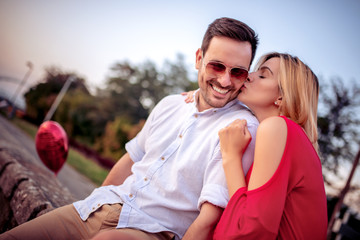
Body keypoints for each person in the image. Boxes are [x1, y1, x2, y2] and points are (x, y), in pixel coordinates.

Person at [0, 17, 259, 240]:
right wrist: (92, 201)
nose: (225, 80)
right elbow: (130, 160)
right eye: (217, 66)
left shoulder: (241, 128)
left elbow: (208, 221)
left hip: (151, 231)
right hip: (103, 207)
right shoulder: (171, 104)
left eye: (237, 72)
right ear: (199, 59)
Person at [212, 52, 328, 239]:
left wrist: (231, 157)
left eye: (263, 75)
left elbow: (251, 231)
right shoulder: (290, 136)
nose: (249, 75)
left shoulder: (277, 127)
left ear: (282, 96)